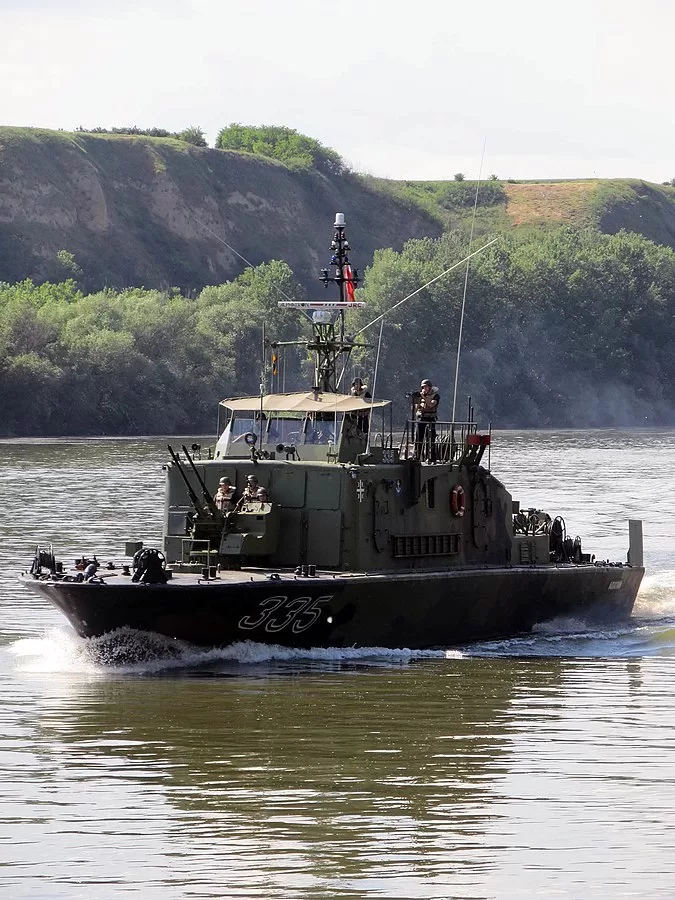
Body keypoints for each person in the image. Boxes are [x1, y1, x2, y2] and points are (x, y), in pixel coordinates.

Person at [414, 378, 440, 462]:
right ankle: (417, 456)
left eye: (425, 387)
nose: (424, 389)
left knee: (431, 438)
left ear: (430, 387)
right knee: (418, 438)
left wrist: (424, 397)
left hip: (430, 419)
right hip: (421, 418)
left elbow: (431, 404)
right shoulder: (421, 396)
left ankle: (432, 457)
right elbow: (416, 407)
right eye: (422, 387)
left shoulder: (436, 396)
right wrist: (416, 400)